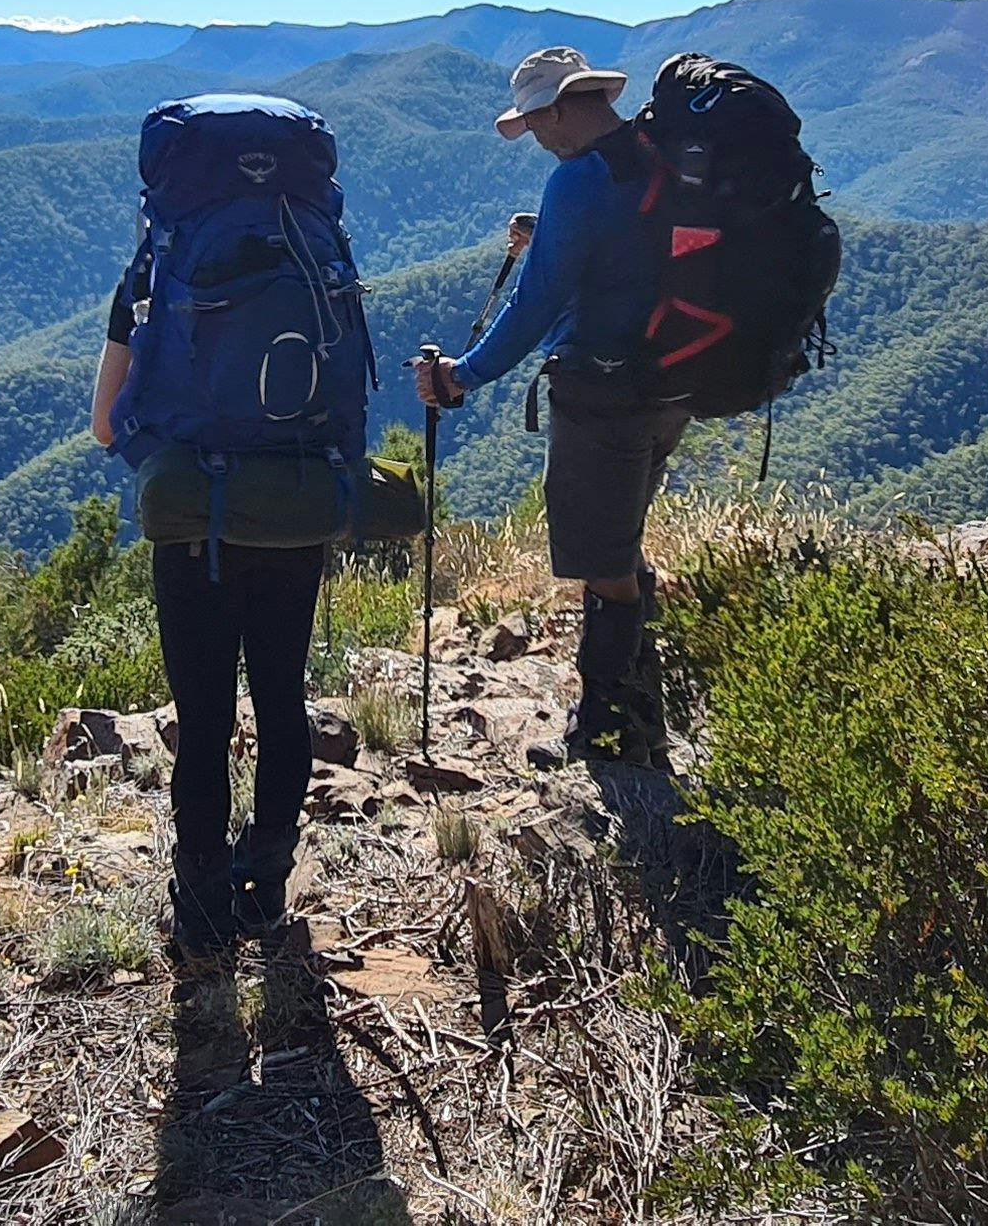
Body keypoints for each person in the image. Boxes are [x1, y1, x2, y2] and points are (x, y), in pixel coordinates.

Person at [93, 94, 370, 950]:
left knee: (204, 712)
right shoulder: (316, 250)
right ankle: (269, 879)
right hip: (299, 509)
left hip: (192, 527)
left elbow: (106, 426)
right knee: (284, 699)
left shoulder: (153, 272)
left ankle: (202, 893)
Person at [413, 46, 681, 765]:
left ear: (560, 106)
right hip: (674, 383)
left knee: (603, 560)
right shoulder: (653, 155)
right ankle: (640, 705)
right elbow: (631, 251)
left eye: (535, 121)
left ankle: (613, 733)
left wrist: (463, 375)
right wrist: (550, 239)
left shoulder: (578, 182)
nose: (534, 136)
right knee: (618, 534)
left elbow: (537, 303)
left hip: (605, 389)